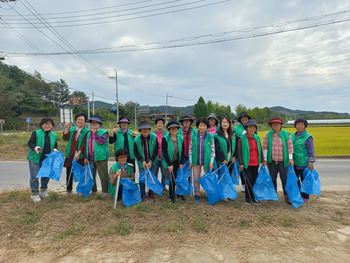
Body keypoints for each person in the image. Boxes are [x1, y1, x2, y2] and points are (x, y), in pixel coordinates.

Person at [263, 117, 294, 204]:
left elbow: (290, 147)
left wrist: (290, 158)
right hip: (271, 161)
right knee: (272, 178)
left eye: (277, 123)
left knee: (284, 178)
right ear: (271, 125)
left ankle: (287, 195)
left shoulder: (286, 134)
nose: (275, 125)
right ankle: (272, 194)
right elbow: (265, 148)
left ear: (281, 124)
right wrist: (265, 159)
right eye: (273, 124)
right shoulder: (268, 135)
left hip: (283, 161)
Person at [27, 117, 57, 202]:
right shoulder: (36, 133)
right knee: (35, 176)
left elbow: (55, 145)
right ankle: (34, 194)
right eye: (45, 124)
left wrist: (55, 149)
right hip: (35, 158)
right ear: (41, 125)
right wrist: (35, 147)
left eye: (49, 124)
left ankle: (43, 191)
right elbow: (30, 143)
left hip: (47, 159)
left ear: (52, 125)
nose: (47, 125)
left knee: (46, 176)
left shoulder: (54, 135)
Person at [80, 115, 110, 198]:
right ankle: (94, 191)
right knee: (91, 176)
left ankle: (105, 191)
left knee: (103, 176)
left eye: (96, 123)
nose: (94, 124)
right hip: (90, 158)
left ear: (100, 124)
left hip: (101, 158)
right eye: (92, 123)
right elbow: (86, 145)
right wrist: (86, 157)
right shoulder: (88, 133)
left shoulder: (104, 132)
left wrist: (95, 133)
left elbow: (101, 141)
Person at [237, 119, 265, 205]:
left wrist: (263, 160)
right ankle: (248, 197)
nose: (252, 129)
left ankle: (253, 197)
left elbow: (260, 149)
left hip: (255, 163)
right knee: (248, 180)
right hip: (247, 163)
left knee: (254, 180)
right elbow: (239, 152)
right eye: (250, 127)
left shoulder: (257, 137)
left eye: (254, 127)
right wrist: (241, 163)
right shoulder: (242, 138)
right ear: (247, 128)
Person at [189, 117, 215, 204]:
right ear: (198, 126)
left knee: (208, 178)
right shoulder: (193, 136)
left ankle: (209, 194)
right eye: (200, 125)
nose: (202, 127)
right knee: (196, 178)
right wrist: (190, 161)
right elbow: (190, 149)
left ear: (206, 126)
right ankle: (197, 194)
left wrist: (211, 162)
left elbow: (213, 151)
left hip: (207, 161)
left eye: (204, 126)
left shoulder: (210, 136)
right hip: (196, 161)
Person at [62, 112, 89, 196]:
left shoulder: (87, 131)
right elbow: (65, 138)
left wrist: (79, 153)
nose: (80, 121)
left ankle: (80, 190)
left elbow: (84, 144)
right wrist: (66, 128)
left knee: (81, 173)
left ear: (85, 121)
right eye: (78, 119)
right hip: (70, 154)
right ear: (76, 120)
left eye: (82, 120)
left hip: (80, 156)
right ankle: (69, 190)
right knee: (69, 172)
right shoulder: (72, 129)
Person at [291, 118, 316, 203]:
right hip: (293, 162)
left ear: (305, 126)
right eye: (298, 124)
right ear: (295, 126)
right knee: (295, 179)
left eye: (302, 125)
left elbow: (311, 151)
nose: (299, 126)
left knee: (304, 180)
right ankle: (298, 194)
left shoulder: (307, 137)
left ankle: (305, 196)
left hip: (303, 163)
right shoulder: (292, 136)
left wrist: (310, 162)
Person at [134, 120, 159, 202]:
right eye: (143, 129)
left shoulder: (154, 137)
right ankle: (143, 194)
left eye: (147, 129)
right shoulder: (136, 139)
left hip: (153, 161)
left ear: (149, 129)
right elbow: (135, 152)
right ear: (140, 130)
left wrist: (151, 161)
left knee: (153, 177)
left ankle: (151, 193)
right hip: (142, 162)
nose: (145, 130)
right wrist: (142, 161)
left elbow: (156, 151)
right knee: (142, 178)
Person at [161, 120, 185, 203]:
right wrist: (169, 164)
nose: (173, 130)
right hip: (170, 162)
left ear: (178, 129)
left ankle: (180, 194)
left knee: (179, 178)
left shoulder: (181, 138)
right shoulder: (165, 139)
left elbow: (183, 151)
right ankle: (171, 196)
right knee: (172, 180)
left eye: (175, 128)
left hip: (178, 162)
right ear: (169, 129)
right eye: (171, 128)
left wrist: (181, 162)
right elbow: (164, 153)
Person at [234, 111, 252, 191]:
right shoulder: (236, 128)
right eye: (242, 118)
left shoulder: (252, 127)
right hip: (240, 150)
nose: (244, 119)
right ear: (240, 119)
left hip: (250, 151)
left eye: (246, 117)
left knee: (250, 168)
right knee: (242, 168)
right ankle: (244, 184)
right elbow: (235, 140)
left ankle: (250, 184)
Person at [152, 117, 168, 187]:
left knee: (164, 173)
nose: (160, 125)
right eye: (158, 123)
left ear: (163, 125)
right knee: (154, 172)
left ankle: (163, 186)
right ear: (156, 124)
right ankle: (155, 186)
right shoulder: (152, 134)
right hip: (155, 157)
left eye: (161, 123)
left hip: (164, 158)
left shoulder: (167, 134)